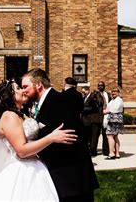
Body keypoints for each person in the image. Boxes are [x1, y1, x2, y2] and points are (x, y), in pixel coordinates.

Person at [0, 79, 77, 200]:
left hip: (36, 167)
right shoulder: (9, 116)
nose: (23, 90)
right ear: (10, 96)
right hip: (22, 171)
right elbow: (21, 151)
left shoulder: (21, 114)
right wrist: (51, 138)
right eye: (18, 88)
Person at [21, 68, 99, 201]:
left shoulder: (59, 101)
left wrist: (31, 151)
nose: (23, 90)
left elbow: (69, 138)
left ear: (38, 85)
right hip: (63, 177)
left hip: (72, 180)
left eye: (25, 86)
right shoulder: (44, 102)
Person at [103, 88, 124, 159]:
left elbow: (115, 109)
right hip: (115, 118)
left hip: (114, 118)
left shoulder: (119, 100)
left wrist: (106, 111)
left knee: (110, 136)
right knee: (115, 136)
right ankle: (117, 153)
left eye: (115, 91)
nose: (113, 93)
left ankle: (111, 153)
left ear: (118, 92)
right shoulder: (113, 100)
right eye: (112, 92)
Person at [97, 81, 111, 156]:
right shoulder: (95, 94)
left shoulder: (107, 94)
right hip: (98, 116)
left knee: (105, 134)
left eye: (102, 85)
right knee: (95, 135)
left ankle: (105, 151)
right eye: (99, 85)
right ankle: (93, 150)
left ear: (104, 86)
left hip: (106, 116)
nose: (100, 87)